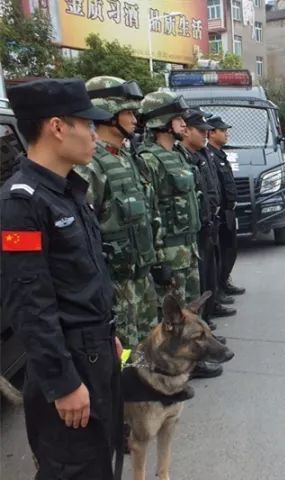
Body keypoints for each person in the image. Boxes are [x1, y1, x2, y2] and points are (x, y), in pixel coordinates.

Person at [1, 78, 123, 479]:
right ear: (56, 127)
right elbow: (29, 304)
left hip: (95, 352)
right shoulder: (22, 204)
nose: (93, 134)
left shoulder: (69, 190)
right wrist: (62, 383)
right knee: (73, 467)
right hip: (69, 364)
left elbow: (83, 278)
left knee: (98, 460)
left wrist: (107, 334)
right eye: (86, 124)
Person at [138, 93, 221, 379]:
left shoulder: (178, 154)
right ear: (162, 122)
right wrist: (159, 258)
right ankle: (169, 369)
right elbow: (151, 211)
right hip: (169, 248)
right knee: (173, 317)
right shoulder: (149, 160)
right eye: (178, 118)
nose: (184, 124)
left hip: (187, 244)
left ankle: (192, 361)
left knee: (189, 308)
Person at [76, 76, 160, 350]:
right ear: (108, 114)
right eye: (128, 112)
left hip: (139, 277)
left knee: (147, 348)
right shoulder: (91, 165)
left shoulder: (125, 158)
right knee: (121, 356)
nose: (135, 119)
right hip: (115, 285)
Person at [180, 109, 236, 324]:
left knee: (211, 269)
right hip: (199, 225)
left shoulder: (203, 154)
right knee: (201, 275)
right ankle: (203, 318)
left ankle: (211, 308)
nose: (205, 134)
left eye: (207, 131)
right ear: (187, 131)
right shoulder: (185, 157)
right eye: (201, 130)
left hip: (212, 219)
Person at [207, 114, 246, 300]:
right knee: (221, 251)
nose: (226, 134)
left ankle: (224, 281)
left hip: (228, 211)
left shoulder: (219, 154)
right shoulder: (210, 156)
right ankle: (219, 289)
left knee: (230, 248)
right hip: (219, 213)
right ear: (211, 133)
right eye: (222, 131)